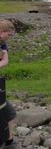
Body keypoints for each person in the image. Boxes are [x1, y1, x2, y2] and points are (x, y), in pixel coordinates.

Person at [0, 19, 18, 149]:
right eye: (9, 34)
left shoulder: (3, 44)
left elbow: (5, 61)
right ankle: (9, 141)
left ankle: (9, 140)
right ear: (1, 32)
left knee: (10, 113)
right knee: (8, 112)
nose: (10, 37)